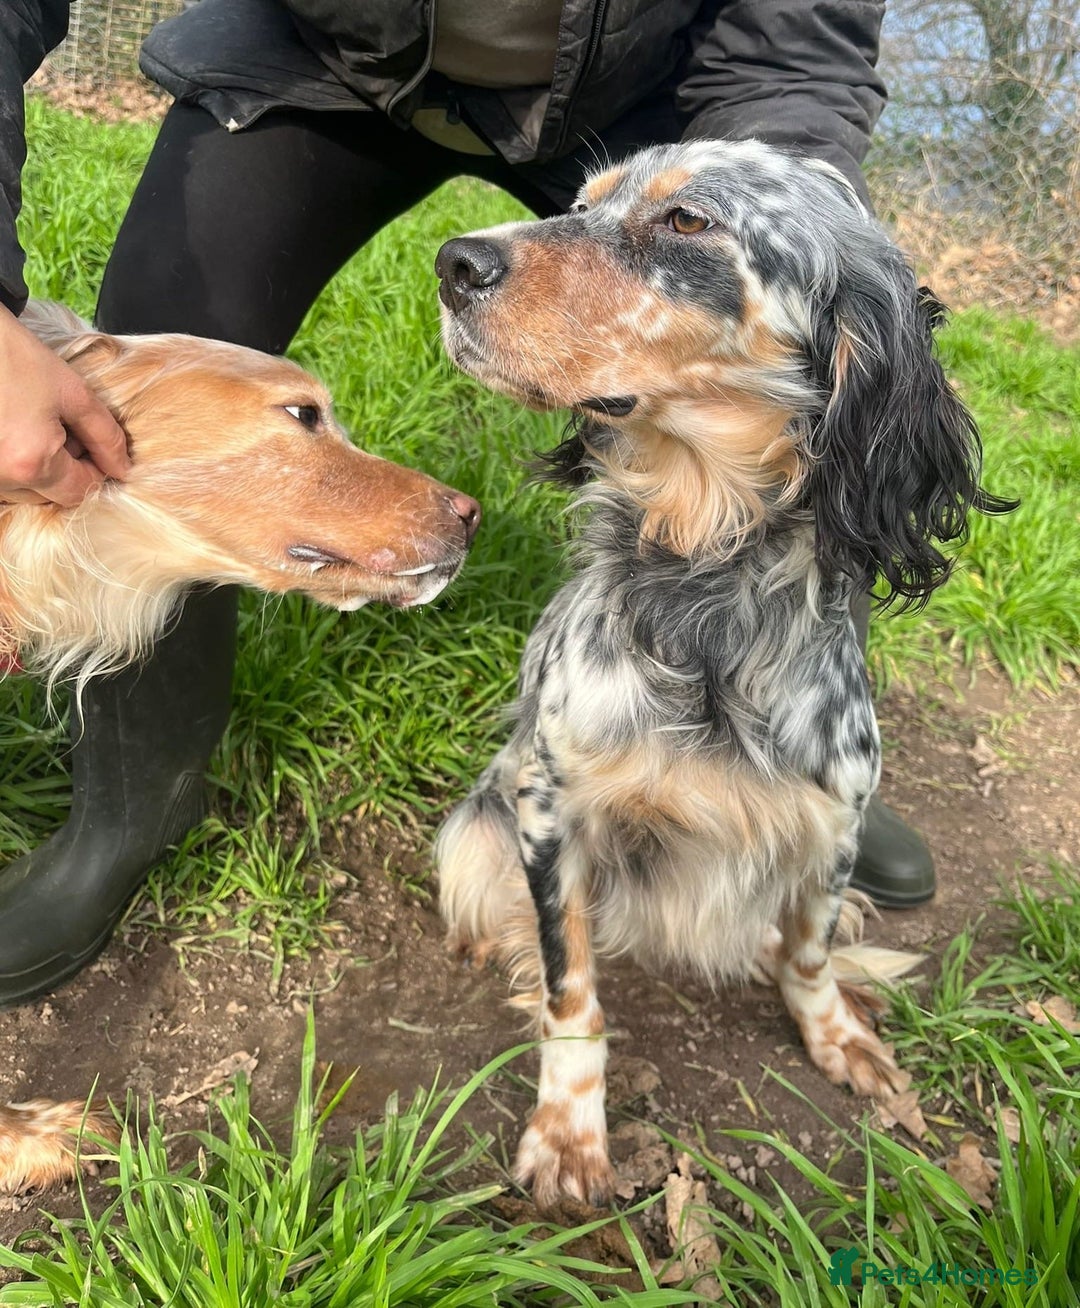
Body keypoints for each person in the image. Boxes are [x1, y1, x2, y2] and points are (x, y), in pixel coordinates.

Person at [0, 0, 936, 1007]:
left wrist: (814, 231)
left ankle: (802, 743)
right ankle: (131, 802)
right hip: (323, 66)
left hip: (635, 93)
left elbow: (797, 41)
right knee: (155, 331)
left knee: (800, 349)